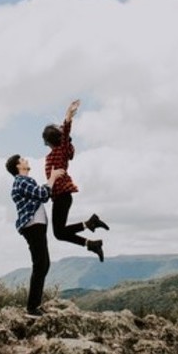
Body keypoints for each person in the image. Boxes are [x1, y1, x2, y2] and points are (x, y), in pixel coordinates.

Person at [43, 99, 110, 262]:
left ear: (49, 139)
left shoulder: (61, 150)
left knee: (59, 233)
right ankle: (91, 238)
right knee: (59, 233)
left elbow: (65, 133)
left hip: (63, 196)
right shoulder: (52, 154)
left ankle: (91, 227)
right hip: (59, 197)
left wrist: (68, 115)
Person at [6, 153, 64, 317]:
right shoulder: (21, 181)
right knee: (40, 264)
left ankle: (35, 305)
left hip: (36, 226)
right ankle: (32, 308)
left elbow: (42, 194)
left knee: (44, 264)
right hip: (33, 226)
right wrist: (52, 178)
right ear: (18, 166)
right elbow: (42, 194)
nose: (26, 160)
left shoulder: (25, 182)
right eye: (22, 160)